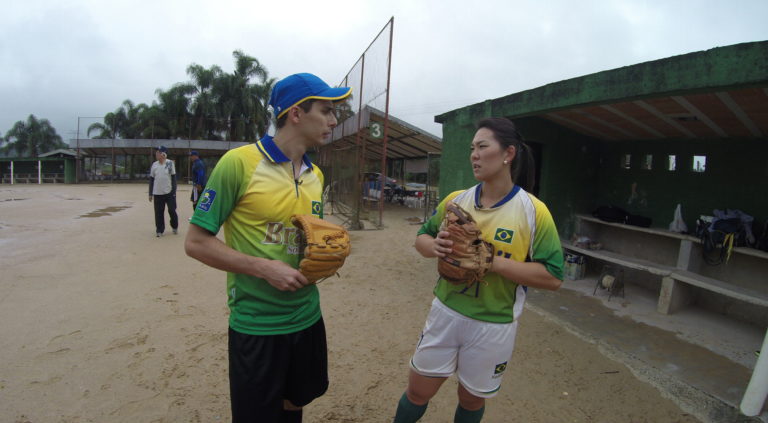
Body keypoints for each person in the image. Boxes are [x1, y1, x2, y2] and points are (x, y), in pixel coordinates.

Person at [184, 73, 351, 423]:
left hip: (307, 317)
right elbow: (196, 243)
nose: (334, 120)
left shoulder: (315, 175)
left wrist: (326, 253)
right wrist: (263, 267)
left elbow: (309, 238)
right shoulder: (239, 164)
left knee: (295, 403)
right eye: (326, 110)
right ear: (295, 114)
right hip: (257, 325)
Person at [392, 117, 565, 423]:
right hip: (446, 312)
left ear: (508, 153)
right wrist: (436, 247)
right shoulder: (456, 201)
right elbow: (422, 238)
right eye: (472, 148)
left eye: (482, 147)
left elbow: (553, 277)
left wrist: (493, 262)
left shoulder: (533, 211)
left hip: (494, 324)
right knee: (418, 392)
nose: (474, 154)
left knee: (471, 402)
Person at [149, 145, 178, 237]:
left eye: (158, 152)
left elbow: (173, 178)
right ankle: (159, 230)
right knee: (158, 213)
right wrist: (150, 193)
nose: (156, 154)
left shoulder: (169, 163)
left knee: (172, 210)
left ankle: (174, 226)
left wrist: (173, 191)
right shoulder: (154, 165)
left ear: (164, 154)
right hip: (157, 193)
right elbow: (151, 180)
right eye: (156, 152)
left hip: (169, 192)